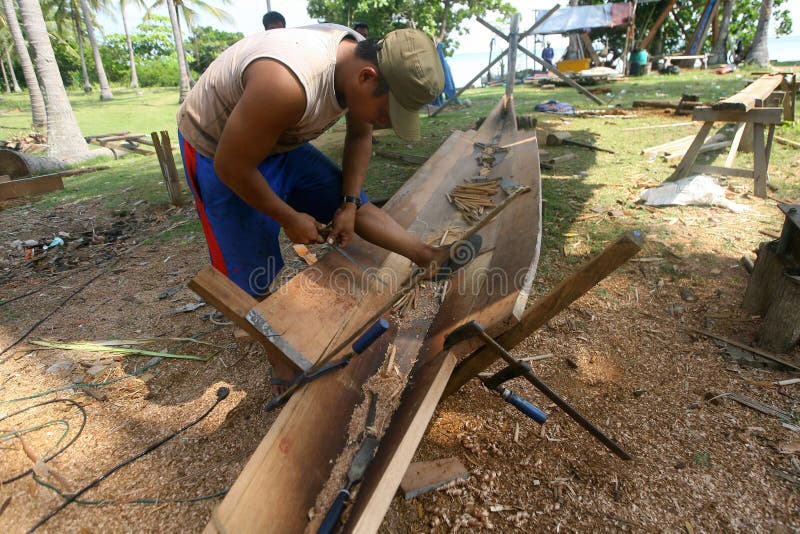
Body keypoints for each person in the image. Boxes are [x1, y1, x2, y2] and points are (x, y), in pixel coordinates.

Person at [177, 25, 475, 383]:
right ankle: (284, 361)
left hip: (278, 139)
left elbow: (360, 132)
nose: (385, 123)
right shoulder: (287, 83)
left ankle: (426, 255)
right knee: (249, 268)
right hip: (218, 149)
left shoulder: (354, 58)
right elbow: (232, 165)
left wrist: (348, 203)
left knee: (352, 203)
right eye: (387, 112)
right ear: (368, 77)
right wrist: (288, 217)